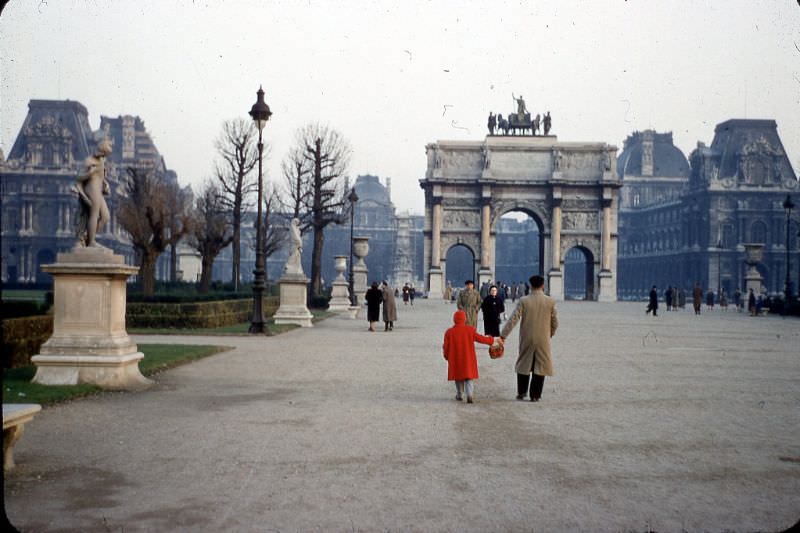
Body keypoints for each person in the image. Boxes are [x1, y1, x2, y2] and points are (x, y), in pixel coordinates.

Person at [500, 275, 558, 402]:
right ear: (543, 285)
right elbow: (555, 322)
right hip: (543, 337)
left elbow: (513, 319)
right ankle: (535, 395)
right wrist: (550, 333)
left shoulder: (524, 300)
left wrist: (503, 335)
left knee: (524, 363)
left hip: (527, 336)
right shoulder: (550, 301)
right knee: (541, 365)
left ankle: (522, 392)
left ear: (530, 286)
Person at [443, 310, 495, 404]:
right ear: (464, 319)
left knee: (458, 377)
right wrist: (490, 340)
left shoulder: (449, 332)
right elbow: (480, 338)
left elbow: (446, 347)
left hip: (456, 359)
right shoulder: (470, 330)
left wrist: (446, 356)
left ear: (454, 319)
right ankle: (469, 395)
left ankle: (459, 394)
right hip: (468, 359)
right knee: (468, 377)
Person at [74, 139, 113, 247]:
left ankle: (87, 238)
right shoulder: (89, 161)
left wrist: (105, 184)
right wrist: (90, 173)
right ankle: (91, 242)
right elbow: (79, 177)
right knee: (94, 214)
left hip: (98, 189)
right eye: (104, 153)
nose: (104, 156)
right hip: (91, 188)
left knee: (105, 217)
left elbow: (101, 176)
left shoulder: (102, 160)